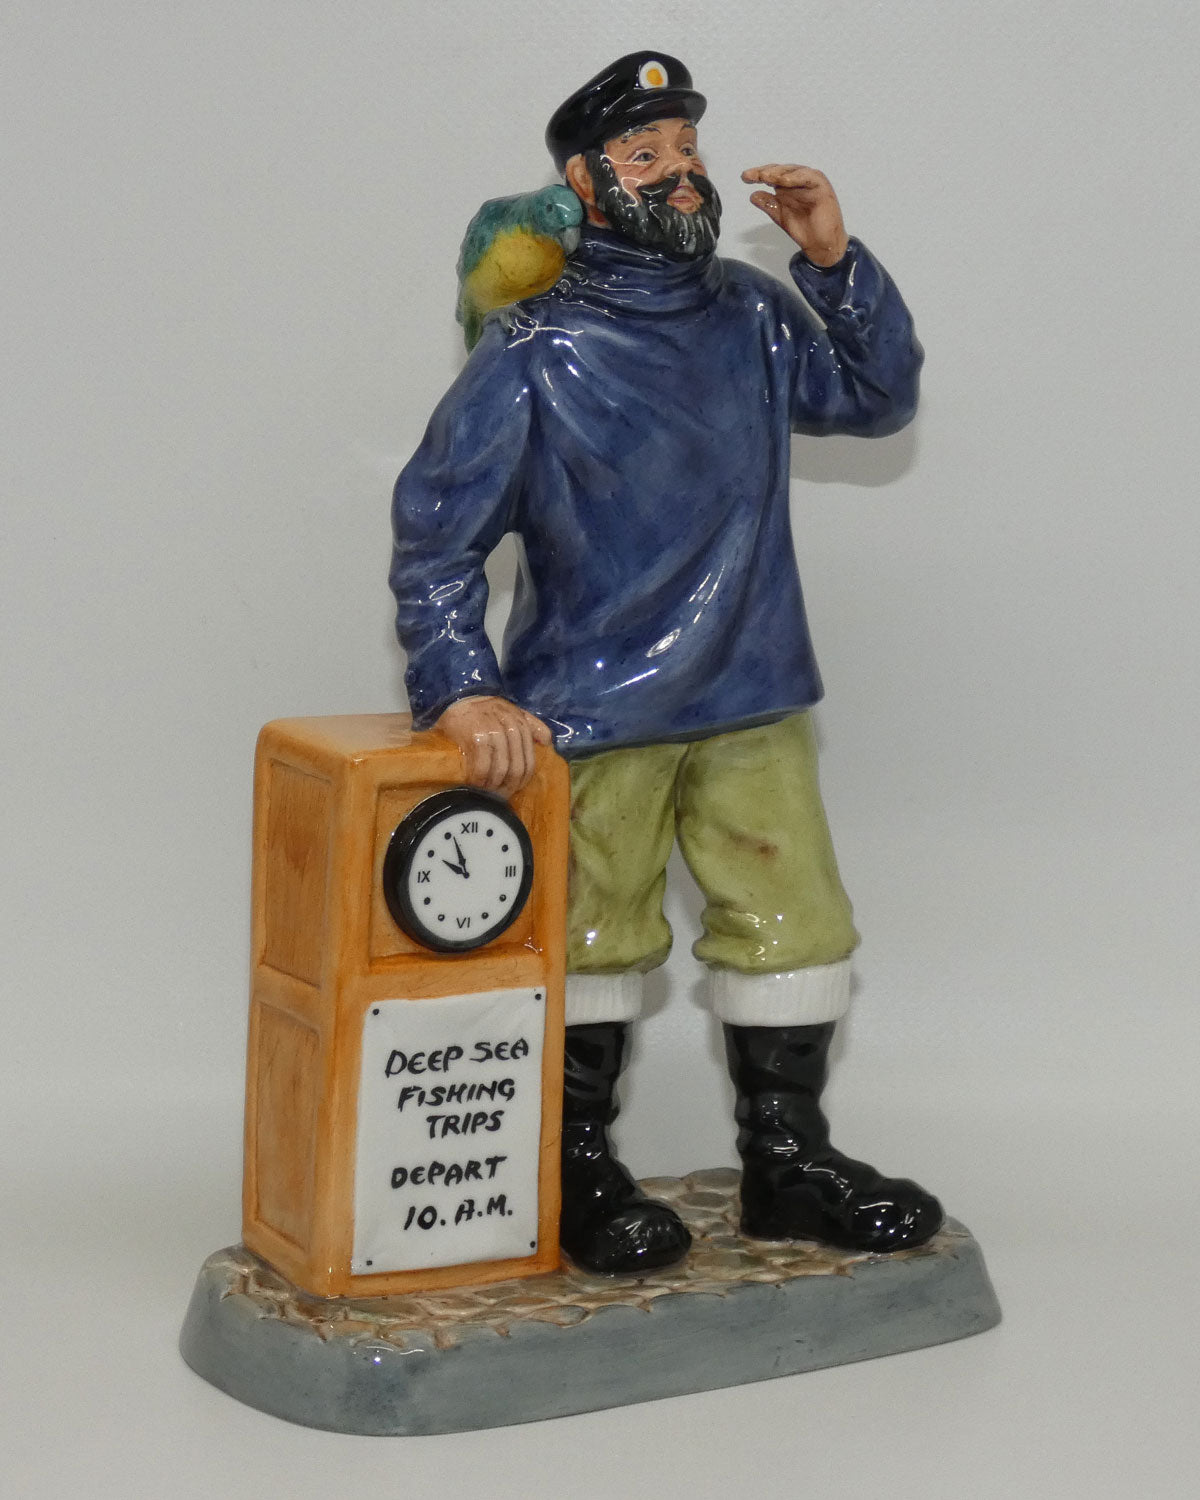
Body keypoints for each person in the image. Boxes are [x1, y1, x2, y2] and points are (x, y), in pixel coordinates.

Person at [390, 51, 943, 1274]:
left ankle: (788, 1162)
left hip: (752, 691)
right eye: (645, 155)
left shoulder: (749, 314)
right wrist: (463, 687)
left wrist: (833, 263)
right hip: (591, 713)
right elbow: (436, 540)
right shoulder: (533, 347)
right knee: (590, 937)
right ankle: (573, 1165)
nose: (681, 174)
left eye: (687, 150)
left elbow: (875, 397)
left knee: (795, 927)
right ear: (585, 186)